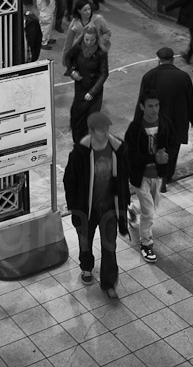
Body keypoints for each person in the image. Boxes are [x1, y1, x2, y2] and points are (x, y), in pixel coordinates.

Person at [63, 111, 130, 299]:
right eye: (101, 130)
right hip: (86, 208)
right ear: (91, 131)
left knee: (110, 246)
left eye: (107, 128)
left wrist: (124, 203)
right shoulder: (80, 153)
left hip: (109, 207)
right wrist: (74, 207)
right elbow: (69, 181)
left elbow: (124, 178)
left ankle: (109, 283)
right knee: (85, 241)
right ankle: (86, 266)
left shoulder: (118, 149)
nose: (105, 132)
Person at [137, 46, 193, 191]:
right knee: (172, 150)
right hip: (177, 122)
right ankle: (167, 175)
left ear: (158, 60)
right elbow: (190, 100)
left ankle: (159, 176)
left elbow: (142, 101)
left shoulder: (149, 77)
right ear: (172, 60)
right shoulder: (183, 77)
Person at [124, 95, 174, 263]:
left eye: (157, 105)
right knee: (149, 213)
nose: (154, 109)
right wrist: (153, 158)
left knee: (153, 206)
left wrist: (166, 159)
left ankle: (133, 210)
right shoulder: (135, 128)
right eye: (150, 106)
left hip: (157, 174)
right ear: (142, 107)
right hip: (141, 176)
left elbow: (172, 144)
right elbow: (130, 155)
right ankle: (146, 243)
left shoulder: (165, 123)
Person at [65, 26, 109, 142]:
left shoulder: (101, 53)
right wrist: (72, 71)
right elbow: (68, 58)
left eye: (92, 40)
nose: (89, 43)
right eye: (86, 40)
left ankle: (90, 142)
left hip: (94, 90)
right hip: (81, 87)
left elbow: (104, 74)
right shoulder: (78, 48)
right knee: (77, 117)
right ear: (83, 38)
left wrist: (92, 92)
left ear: (97, 39)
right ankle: (78, 143)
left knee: (92, 119)